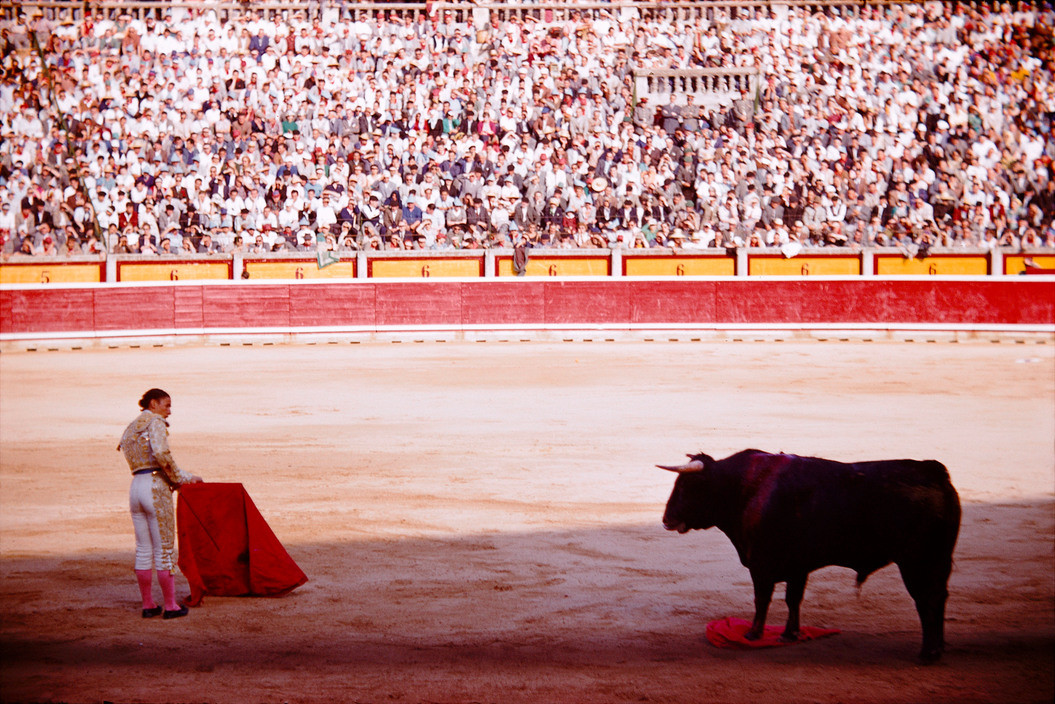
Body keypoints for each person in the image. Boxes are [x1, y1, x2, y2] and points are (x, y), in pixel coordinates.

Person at [118, 388, 203, 620]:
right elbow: (161, 454)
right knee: (164, 549)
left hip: (136, 487)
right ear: (153, 404)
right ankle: (171, 606)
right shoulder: (155, 422)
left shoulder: (131, 427)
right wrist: (182, 478)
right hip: (155, 487)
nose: (169, 411)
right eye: (167, 405)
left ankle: (148, 605)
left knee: (143, 549)